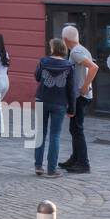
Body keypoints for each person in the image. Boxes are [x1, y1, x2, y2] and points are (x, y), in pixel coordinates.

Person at [33, 39, 76, 177]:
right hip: (59, 103)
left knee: (41, 133)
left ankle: (38, 166)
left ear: (53, 48)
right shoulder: (69, 66)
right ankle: (52, 170)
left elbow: (38, 77)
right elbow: (71, 89)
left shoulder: (43, 62)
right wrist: (72, 109)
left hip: (42, 100)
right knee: (55, 135)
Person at [59, 24, 98, 174]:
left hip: (80, 97)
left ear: (65, 39)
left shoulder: (76, 52)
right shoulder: (81, 49)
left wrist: (84, 86)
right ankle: (75, 159)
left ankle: (83, 163)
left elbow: (94, 67)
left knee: (77, 130)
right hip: (83, 95)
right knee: (74, 129)